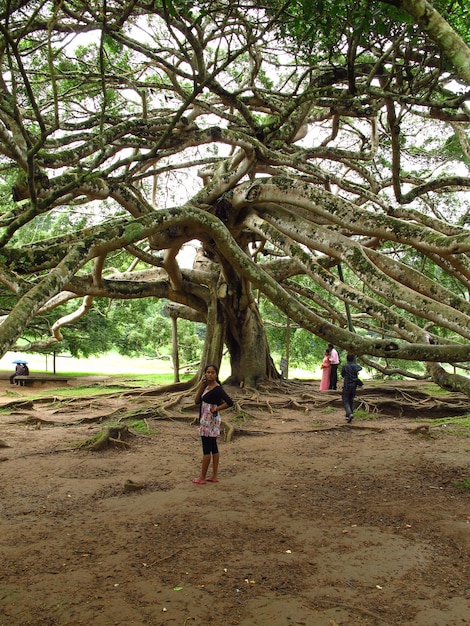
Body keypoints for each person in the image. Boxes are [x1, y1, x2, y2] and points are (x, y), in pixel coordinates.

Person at [193, 363, 234, 485]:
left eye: (212, 372)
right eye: (208, 372)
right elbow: (196, 401)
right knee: (213, 447)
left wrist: (216, 409)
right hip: (205, 420)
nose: (210, 374)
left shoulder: (217, 388)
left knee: (207, 449)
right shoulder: (206, 386)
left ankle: (202, 478)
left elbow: (229, 402)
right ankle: (214, 476)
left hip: (210, 422)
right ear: (205, 374)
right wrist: (201, 386)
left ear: (216, 375)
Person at [341, 354, 363, 423]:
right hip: (354, 385)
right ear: (353, 359)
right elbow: (360, 368)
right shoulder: (356, 366)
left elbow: (342, 375)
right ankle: (349, 415)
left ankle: (349, 413)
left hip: (347, 385)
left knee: (345, 399)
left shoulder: (345, 366)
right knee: (351, 399)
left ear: (347, 359)